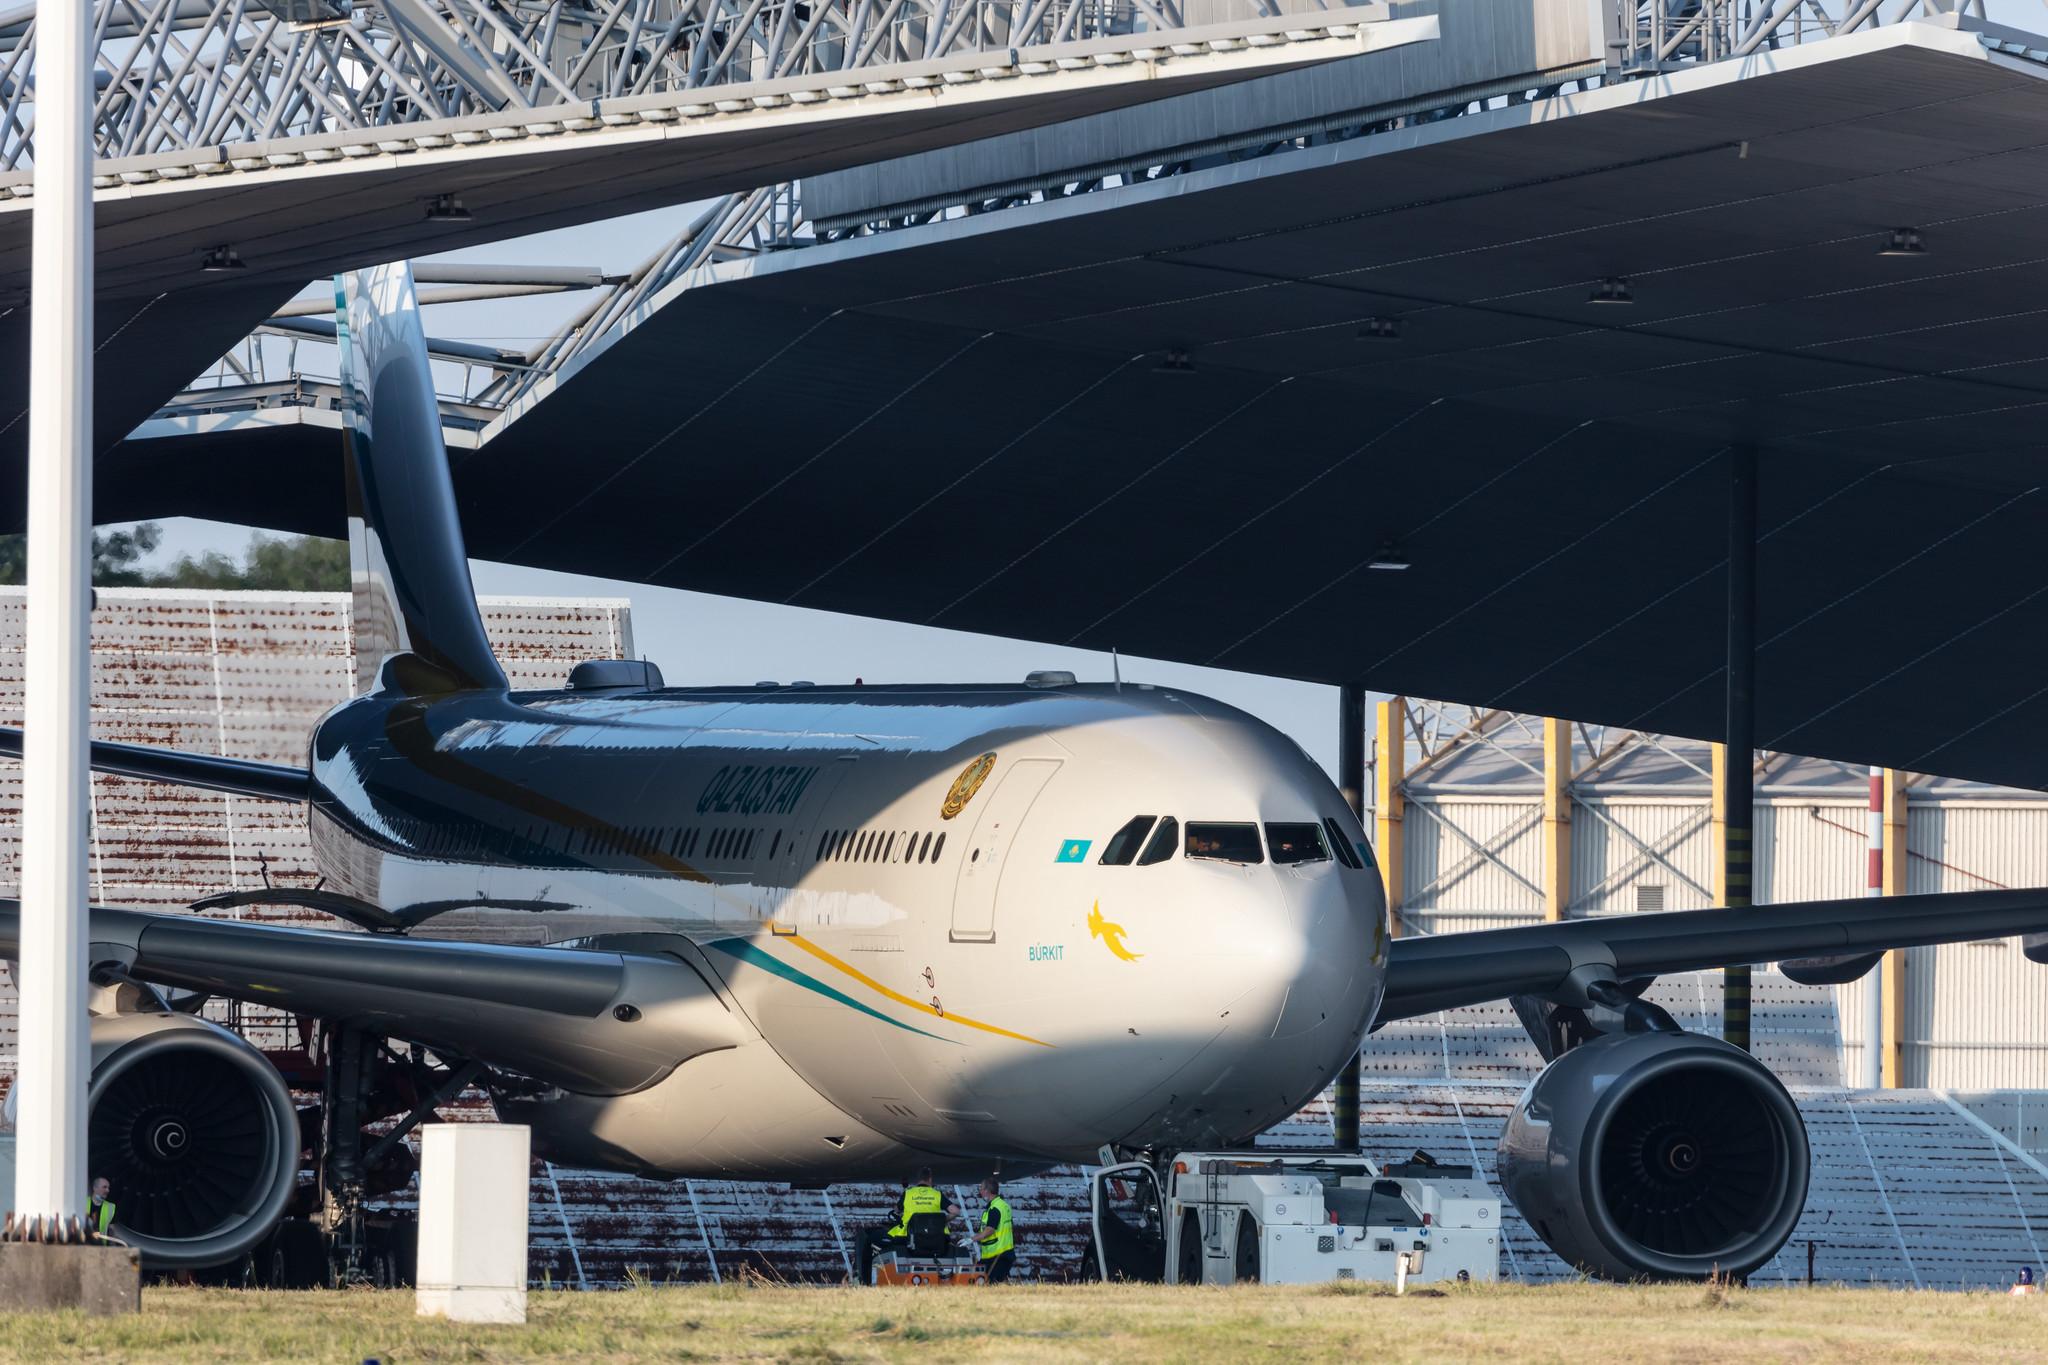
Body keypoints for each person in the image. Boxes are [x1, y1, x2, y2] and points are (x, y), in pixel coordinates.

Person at [858, 1167, 947, 1283]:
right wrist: (941, 1221)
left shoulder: (909, 1193)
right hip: (936, 1238)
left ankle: (866, 1281)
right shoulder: (937, 1194)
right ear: (930, 1179)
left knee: (870, 1240)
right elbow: (955, 1211)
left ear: (918, 1180)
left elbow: (896, 1210)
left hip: (905, 1237)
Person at [974, 1175, 1015, 1284]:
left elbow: (989, 1230)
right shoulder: (1003, 1205)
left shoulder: (994, 1208)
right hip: (1004, 1253)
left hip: (997, 1255)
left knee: (984, 1282)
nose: (980, 1191)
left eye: (981, 1188)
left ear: (988, 1191)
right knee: (998, 1283)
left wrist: (972, 1239)